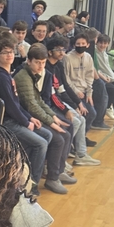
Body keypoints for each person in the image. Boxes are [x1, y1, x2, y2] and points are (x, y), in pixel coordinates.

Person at [0, 35, 49, 197]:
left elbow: (17, 104)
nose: (9, 55)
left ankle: (27, 176)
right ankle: (31, 186)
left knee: (46, 134)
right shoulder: (1, 77)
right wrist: (25, 121)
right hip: (5, 122)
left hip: (15, 118)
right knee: (41, 144)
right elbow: (9, 106)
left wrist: (29, 117)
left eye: (11, 52)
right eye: (4, 52)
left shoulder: (8, 74)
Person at [15, 44, 74, 194]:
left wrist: (54, 117)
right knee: (58, 139)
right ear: (29, 61)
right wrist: (51, 123)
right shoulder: (23, 76)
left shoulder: (33, 74)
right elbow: (31, 105)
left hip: (35, 115)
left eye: (43, 63)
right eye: (37, 62)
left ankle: (58, 172)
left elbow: (40, 101)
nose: (41, 66)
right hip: (27, 118)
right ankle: (51, 179)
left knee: (66, 133)